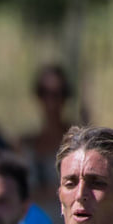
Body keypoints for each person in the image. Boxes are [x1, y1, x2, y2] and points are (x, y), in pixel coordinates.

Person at [18, 64, 75, 207]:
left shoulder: (79, 142)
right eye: (44, 93)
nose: (51, 101)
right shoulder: (24, 145)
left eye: (57, 94)